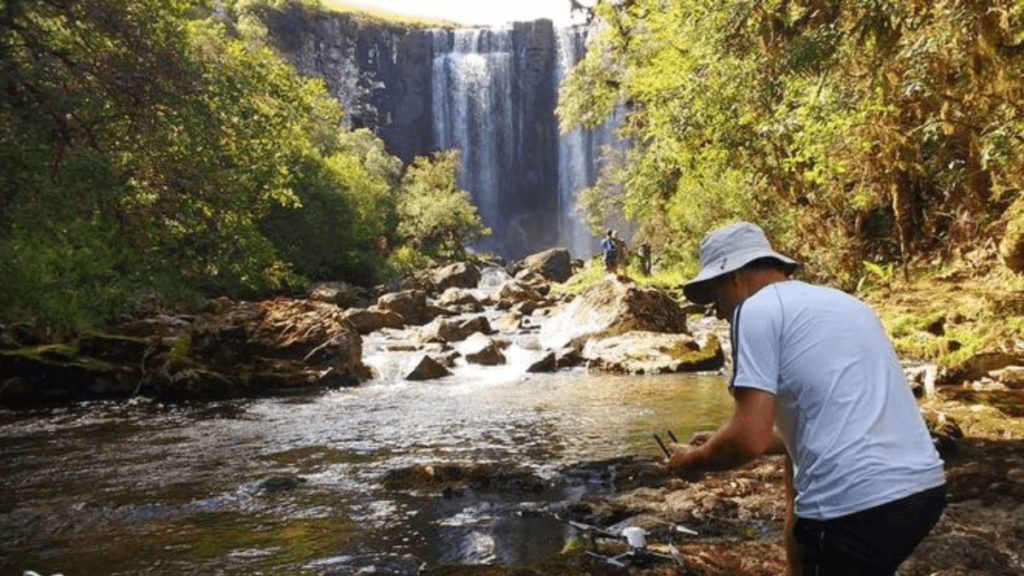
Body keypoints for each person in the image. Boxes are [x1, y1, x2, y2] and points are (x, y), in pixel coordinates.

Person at [667, 221, 945, 576]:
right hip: (921, 493)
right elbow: (821, 422)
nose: (719, 313)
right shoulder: (846, 303)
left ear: (733, 278)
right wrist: (718, 440)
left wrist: (694, 462)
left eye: (716, 298)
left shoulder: (754, 311)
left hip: (853, 505)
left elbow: (747, 439)